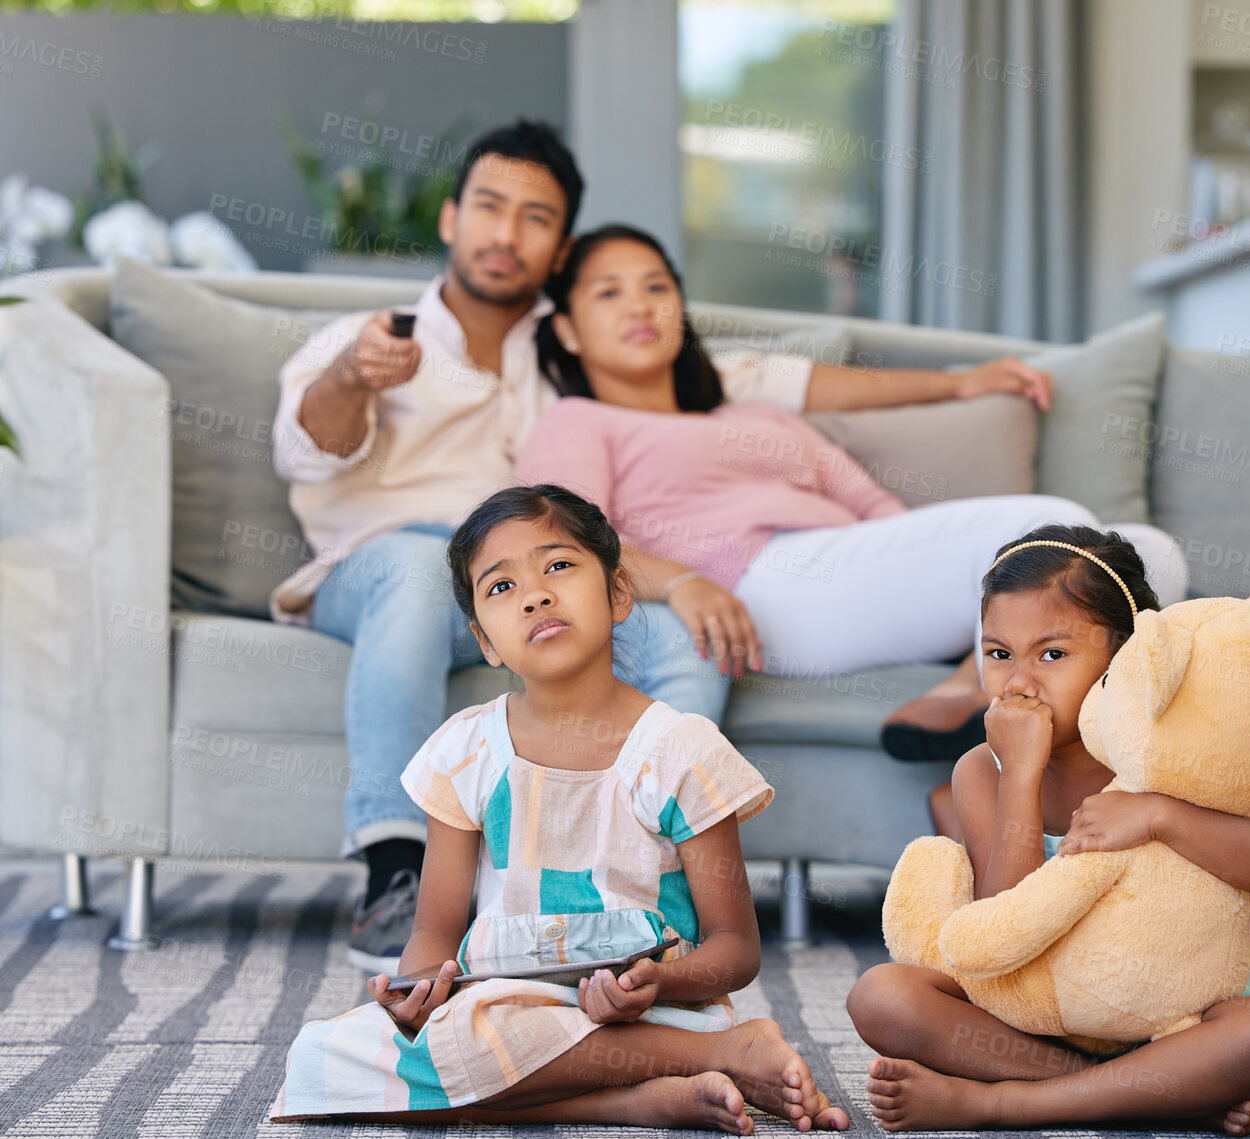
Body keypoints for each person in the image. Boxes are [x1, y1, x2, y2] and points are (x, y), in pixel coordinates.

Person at [270, 121, 1064, 970]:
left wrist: (958, 382)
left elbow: (766, 380)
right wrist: (354, 375)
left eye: (533, 218)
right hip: (378, 562)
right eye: (489, 209)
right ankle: (395, 871)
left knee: (678, 635)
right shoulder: (373, 339)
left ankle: (644, 868)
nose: (505, 235)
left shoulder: (568, 348)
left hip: (536, 577)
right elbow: (306, 443)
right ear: (452, 218)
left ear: (558, 245)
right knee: (420, 572)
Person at [270, 484, 850, 1132]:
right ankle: (646, 1097)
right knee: (324, 1059)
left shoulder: (681, 750)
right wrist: (415, 993)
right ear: (485, 641)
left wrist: (658, 983)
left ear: (619, 592)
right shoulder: (464, 752)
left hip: (652, 1012)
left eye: (558, 565)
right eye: (500, 587)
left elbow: (735, 948)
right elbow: (434, 933)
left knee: (463, 1049)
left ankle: (707, 1048)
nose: (534, 594)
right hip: (503, 1002)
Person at [514, 224, 1188, 686]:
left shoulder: (755, 413)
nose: (640, 304)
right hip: (760, 589)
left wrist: (915, 569)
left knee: (1150, 555)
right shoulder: (576, 420)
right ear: (567, 330)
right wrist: (684, 581)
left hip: (852, 571)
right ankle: (972, 688)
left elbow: (873, 510)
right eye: (609, 291)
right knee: (1060, 529)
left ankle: (970, 688)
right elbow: (563, 545)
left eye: (656, 286)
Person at [845, 525, 1250, 1136]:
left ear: (1128, 658)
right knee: (882, 996)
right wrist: (1020, 774)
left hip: (1174, 1024)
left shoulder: (1174, 756)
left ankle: (1005, 1103)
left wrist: (1162, 814)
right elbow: (1001, 933)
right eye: (998, 654)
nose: (1019, 682)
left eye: (1053, 654)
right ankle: (1151, 1094)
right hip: (1029, 1025)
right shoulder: (981, 772)